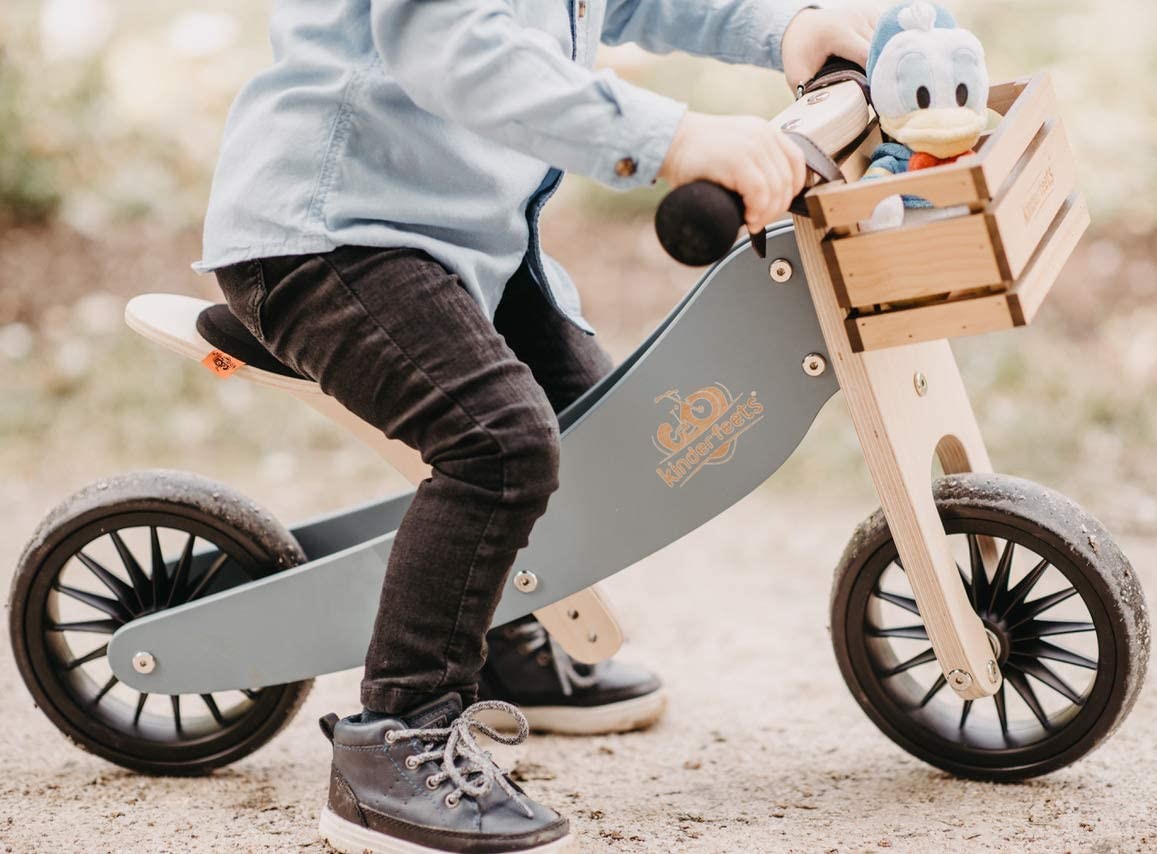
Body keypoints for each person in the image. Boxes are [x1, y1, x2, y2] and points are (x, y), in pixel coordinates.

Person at [197, 0, 882, 850]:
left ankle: (500, 640)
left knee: (604, 436)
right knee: (501, 446)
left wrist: (782, 30)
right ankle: (395, 740)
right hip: (333, 238)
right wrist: (674, 136)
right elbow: (454, 45)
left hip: (461, 239)